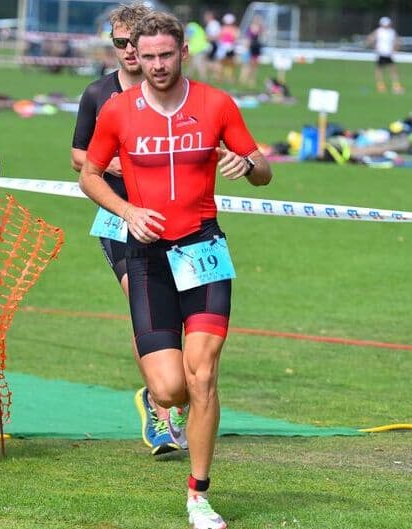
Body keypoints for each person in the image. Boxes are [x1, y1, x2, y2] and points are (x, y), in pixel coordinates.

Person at [79, 11, 272, 529]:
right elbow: (90, 174)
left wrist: (248, 163)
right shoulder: (118, 111)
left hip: (203, 248)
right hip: (146, 255)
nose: (158, 65)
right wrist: (127, 212)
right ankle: (169, 402)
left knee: (203, 373)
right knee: (169, 388)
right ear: (134, 57)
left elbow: (264, 172)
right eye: (149, 56)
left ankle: (198, 494)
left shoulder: (216, 103)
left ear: (184, 52)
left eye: (167, 54)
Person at [71, 3, 182, 457]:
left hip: (174, 219)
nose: (129, 51)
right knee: (145, 308)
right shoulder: (99, 95)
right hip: (118, 217)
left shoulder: (173, 95)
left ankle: (165, 390)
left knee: (174, 311)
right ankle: (160, 408)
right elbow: (79, 156)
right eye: (120, 43)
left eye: (134, 42)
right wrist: (115, 162)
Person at [366, 16, 404, 94]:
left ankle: (395, 86)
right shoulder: (378, 31)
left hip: (389, 53)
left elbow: (397, 41)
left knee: (393, 70)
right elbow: (370, 39)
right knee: (380, 70)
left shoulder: (392, 32)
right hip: (381, 53)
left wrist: (396, 48)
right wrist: (373, 46)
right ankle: (381, 85)